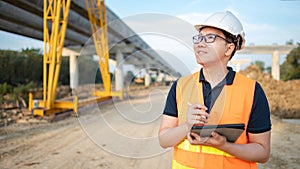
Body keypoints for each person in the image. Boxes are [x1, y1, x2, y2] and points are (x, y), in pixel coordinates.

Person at [158, 11, 271, 169]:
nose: (200, 43)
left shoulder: (251, 91)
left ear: (229, 48)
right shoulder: (180, 87)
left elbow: (262, 152)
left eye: (210, 38)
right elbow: (164, 140)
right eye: (199, 37)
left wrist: (224, 145)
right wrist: (186, 126)